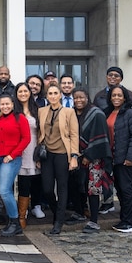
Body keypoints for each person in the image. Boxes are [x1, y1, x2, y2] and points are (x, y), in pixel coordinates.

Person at [38, 82, 79, 235]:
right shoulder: (42, 111)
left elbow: (74, 135)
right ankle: (57, 212)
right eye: (50, 94)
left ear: (60, 95)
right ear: (47, 96)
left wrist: (74, 156)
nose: (53, 96)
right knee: (48, 189)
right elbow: (39, 133)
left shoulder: (69, 112)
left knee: (62, 188)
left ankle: (59, 222)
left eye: (56, 93)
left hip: (62, 153)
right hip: (47, 154)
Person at [105, 85, 132, 233]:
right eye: (114, 95)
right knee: (120, 189)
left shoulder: (130, 113)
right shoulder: (110, 112)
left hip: (125, 159)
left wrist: (131, 158)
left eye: (119, 95)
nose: (116, 98)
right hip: (113, 158)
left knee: (126, 189)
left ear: (124, 97)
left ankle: (129, 222)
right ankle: (124, 219)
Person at [72, 88, 113, 234]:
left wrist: (89, 156)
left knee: (93, 189)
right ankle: (80, 213)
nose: (78, 100)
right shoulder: (72, 113)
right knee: (79, 186)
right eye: (75, 98)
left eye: (81, 97)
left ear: (87, 98)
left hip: (94, 158)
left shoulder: (97, 114)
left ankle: (94, 221)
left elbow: (101, 137)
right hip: (77, 157)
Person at [0, 94, 31, 237]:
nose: (5, 106)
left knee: (4, 191)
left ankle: (16, 223)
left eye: (7, 104)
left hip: (11, 159)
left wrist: (12, 155)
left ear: (13, 104)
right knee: (5, 190)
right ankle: (11, 221)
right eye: (2, 104)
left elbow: (26, 138)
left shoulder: (20, 118)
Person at [14, 82, 45, 226]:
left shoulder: (37, 110)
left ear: (30, 93)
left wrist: (39, 152)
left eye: (25, 91)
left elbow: (42, 131)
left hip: (34, 147)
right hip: (19, 148)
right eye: (20, 92)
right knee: (23, 180)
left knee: (36, 178)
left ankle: (36, 205)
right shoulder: (13, 110)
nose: (23, 94)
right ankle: (22, 212)